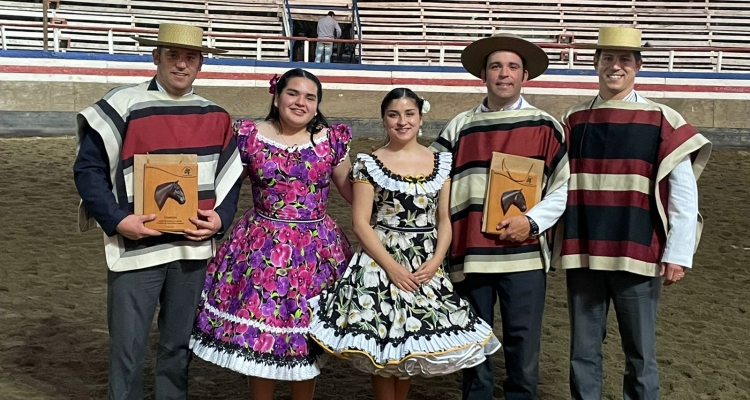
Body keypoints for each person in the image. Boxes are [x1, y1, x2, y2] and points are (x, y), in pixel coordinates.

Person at [73, 23, 244, 400]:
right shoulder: (122, 105)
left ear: (200, 64)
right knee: (127, 350)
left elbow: (230, 180)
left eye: (190, 57)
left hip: (191, 251)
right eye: (172, 56)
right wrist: (117, 220)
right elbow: (88, 170)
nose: (181, 65)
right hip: (136, 250)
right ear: (156, 58)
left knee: (177, 347)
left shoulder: (215, 115)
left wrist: (219, 220)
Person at [310, 88, 501, 400]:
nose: (402, 121)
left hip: (425, 261)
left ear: (420, 117)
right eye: (393, 114)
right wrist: (392, 267)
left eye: (409, 114)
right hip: (380, 261)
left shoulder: (440, 162)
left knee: (411, 343)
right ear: (384, 119)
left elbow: (443, 219)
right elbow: (361, 222)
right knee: (386, 344)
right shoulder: (369, 162)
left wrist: (437, 260)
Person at [554, 26, 712, 400]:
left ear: (638, 66)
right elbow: (555, 186)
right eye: (607, 58)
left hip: (638, 252)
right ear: (595, 63)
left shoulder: (663, 119)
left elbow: (683, 195)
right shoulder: (573, 119)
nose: (615, 66)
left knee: (640, 354)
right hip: (585, 252)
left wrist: (678, 253)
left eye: (624, 59)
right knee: (582, 353)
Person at [189, 68, 354, 400]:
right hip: (260, 249)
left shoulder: (331, 140)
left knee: (307, 339)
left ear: (317, 104)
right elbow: (224, 186)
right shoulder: (250, 135)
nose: (300, 102)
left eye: (310, 97)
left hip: (316, 252)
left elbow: (353, 193)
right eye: (293, 93)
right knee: (260, 343)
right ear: (277, 96)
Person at [429, 33, 570, 400]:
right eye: (496, 66)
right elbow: (428, 175)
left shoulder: (545, 125)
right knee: (474, 345)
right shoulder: (459, 126)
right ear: (483, 74)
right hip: (470, 255)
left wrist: (532, 221)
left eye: (512, 67)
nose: (503, 74)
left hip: (523, 255)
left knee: (523, 347)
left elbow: (564, 186)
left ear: (525, 76)